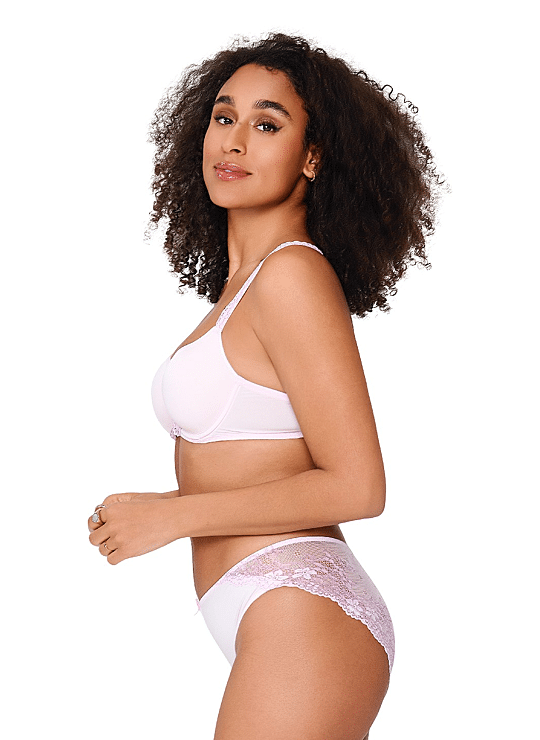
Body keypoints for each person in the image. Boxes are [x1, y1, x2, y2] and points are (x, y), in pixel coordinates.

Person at [88, 33, 442, 739]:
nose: (235, 140)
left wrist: (174, 518)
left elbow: (359, 486)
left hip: (301, 606)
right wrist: (167, 507)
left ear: (313, 157)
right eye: (224, 117)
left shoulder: (291, 275)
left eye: (268, 124)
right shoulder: (244, 289)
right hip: (266, 607)